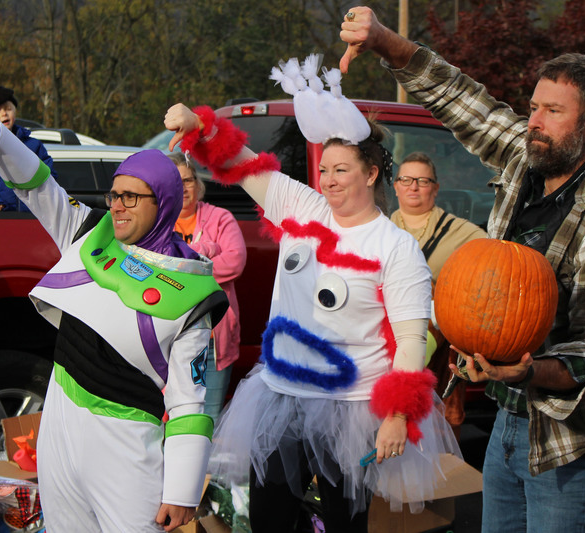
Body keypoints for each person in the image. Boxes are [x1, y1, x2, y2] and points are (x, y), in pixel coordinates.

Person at [340, 7, 585, 533]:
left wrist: (526, 370)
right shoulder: (533, 157)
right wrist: (381, 40)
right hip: (512, 416)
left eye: (551, 111)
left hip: (576, 440)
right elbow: (461, 99)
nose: (532, 121)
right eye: (533, 106)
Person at [164, 54, 460, 533]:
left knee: (346, 525)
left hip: (352, 408)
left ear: (370, 174)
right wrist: (200, 124)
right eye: (325, 170)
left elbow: (409, 340)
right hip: (281, 397)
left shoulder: (396, 246)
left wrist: (397, 415)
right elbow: (241, 163)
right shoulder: (302, 207)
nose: (329, 181)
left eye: (342, 170)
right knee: (269, 521)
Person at [0, 111, 227, 532]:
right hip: (61, 422)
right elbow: (40, 188)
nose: (116, 206)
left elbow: (188, 402)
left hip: (125, 443)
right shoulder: (91, 233)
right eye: (114, 194)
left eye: (131, 197)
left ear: (165, 202)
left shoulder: (192, 294)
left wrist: (181, 491)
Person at [390, 151, 486, 440]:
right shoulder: (379, 228)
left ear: (435, 187)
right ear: (395, 186)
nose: (413, 186)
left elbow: (495, 263)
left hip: (438, 347)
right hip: (388, 342)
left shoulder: (463, 233)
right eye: (406, 179)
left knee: (436, 429)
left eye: (422, 180)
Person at [169, 151, 247, 421]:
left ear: (198, 183)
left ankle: (207, 465)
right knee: (173, 417)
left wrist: (186, 260)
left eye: (189, 180)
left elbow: (235, 261)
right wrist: (207, 250)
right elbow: (155, 264)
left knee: (208, 417)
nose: (184, 188)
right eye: (176, 181)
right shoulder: (159, 221)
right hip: (171, 336)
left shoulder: (220, 218)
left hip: (214, 336)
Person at [0, 86, 58, 211]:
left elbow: (49, 178)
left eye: (8, 108)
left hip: (35, 219)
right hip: (0, 220)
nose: (4, 113)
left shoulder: (33, 145)